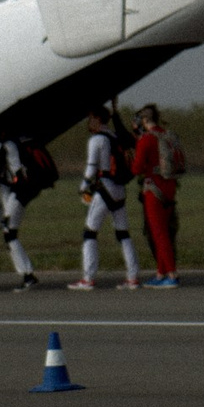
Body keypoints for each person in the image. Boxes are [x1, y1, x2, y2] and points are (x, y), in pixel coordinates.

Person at [70, 105, 141, 291]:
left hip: (105, 188)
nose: (89, 122)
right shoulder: (114, 136)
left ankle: (88, 278)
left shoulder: (97, 140)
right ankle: (132, 277)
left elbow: (92, 166)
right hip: (119, 189)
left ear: (97, 119)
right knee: (123, 233)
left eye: (91, 118)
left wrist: (84, 186)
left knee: (90, 233)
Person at [0, 134, 57, 289]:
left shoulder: (2, 145)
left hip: (21, 189)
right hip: (27, 187)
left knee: (9, 233)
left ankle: (28, 276)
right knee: (9, 230)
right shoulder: (20, 140)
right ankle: (27, 275)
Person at [132, 102, 185, 288]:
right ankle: (161, 272)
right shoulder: (165, 135)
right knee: (163, 231)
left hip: (153, 189)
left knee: (159, 233)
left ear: (145, 120)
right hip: (169, 186)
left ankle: (171, 273)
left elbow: (136, 168)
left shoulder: (145, 140)